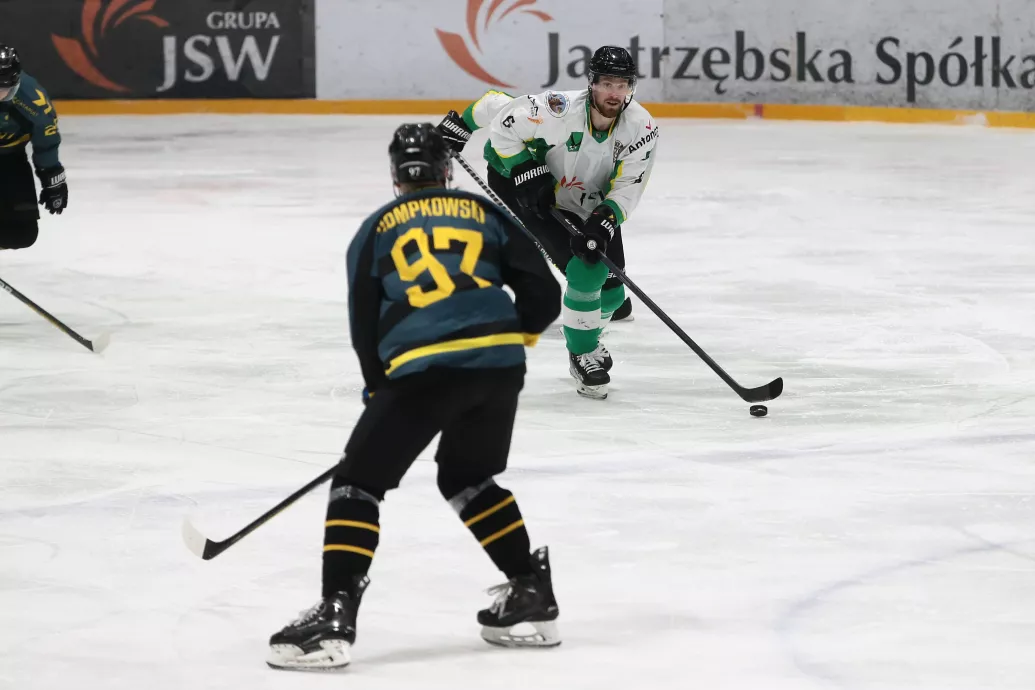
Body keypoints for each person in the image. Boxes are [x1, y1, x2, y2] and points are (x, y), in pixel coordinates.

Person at [266, 124, 563, 671]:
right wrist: (507, 340)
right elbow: (544, 295)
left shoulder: (377, 228)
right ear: (446, 171)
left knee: (359, 482)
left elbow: (364, 323)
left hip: (424, 370)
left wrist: (379, 385)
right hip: (499, 367)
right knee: (466, 477)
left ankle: (335, 613)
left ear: (395, 176)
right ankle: (529, 590)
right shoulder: (485, 213)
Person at [436, 46, 659, 400]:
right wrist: (519, 164)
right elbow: (503, 115)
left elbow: (630, 184)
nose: (614, 93)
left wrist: (605, 219)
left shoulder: (642, 127)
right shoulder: (559, 110)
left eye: (622, 85)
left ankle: (586, 329)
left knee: (613, 292)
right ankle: (582, 353)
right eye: (606, 83)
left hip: (589, 200)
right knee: (587, 270)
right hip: (531, 189)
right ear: (591, 83)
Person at [0, 44, 68, 250]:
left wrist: (52, 177)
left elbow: (46, 138)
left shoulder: (31, 98)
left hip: (11, 157)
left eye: (3, 89)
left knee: (23, 234)